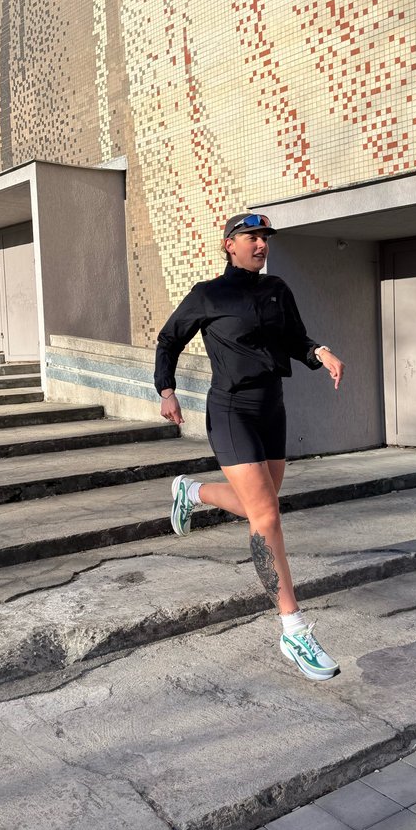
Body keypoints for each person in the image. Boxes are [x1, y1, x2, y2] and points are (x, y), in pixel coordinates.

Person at [154, 212, 345, 681]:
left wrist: (320, 352)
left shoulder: (278, 288)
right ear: (229, 245)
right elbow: (169, 339)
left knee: (258, 506)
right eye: (252, 237)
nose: (261, 244)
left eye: (265, 238)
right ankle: (292, 628)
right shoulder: (208, 295)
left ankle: (192, 492)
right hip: (231, 410)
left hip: (271, 409)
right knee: (266, 517)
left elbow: (295, 339)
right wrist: (167, 390)